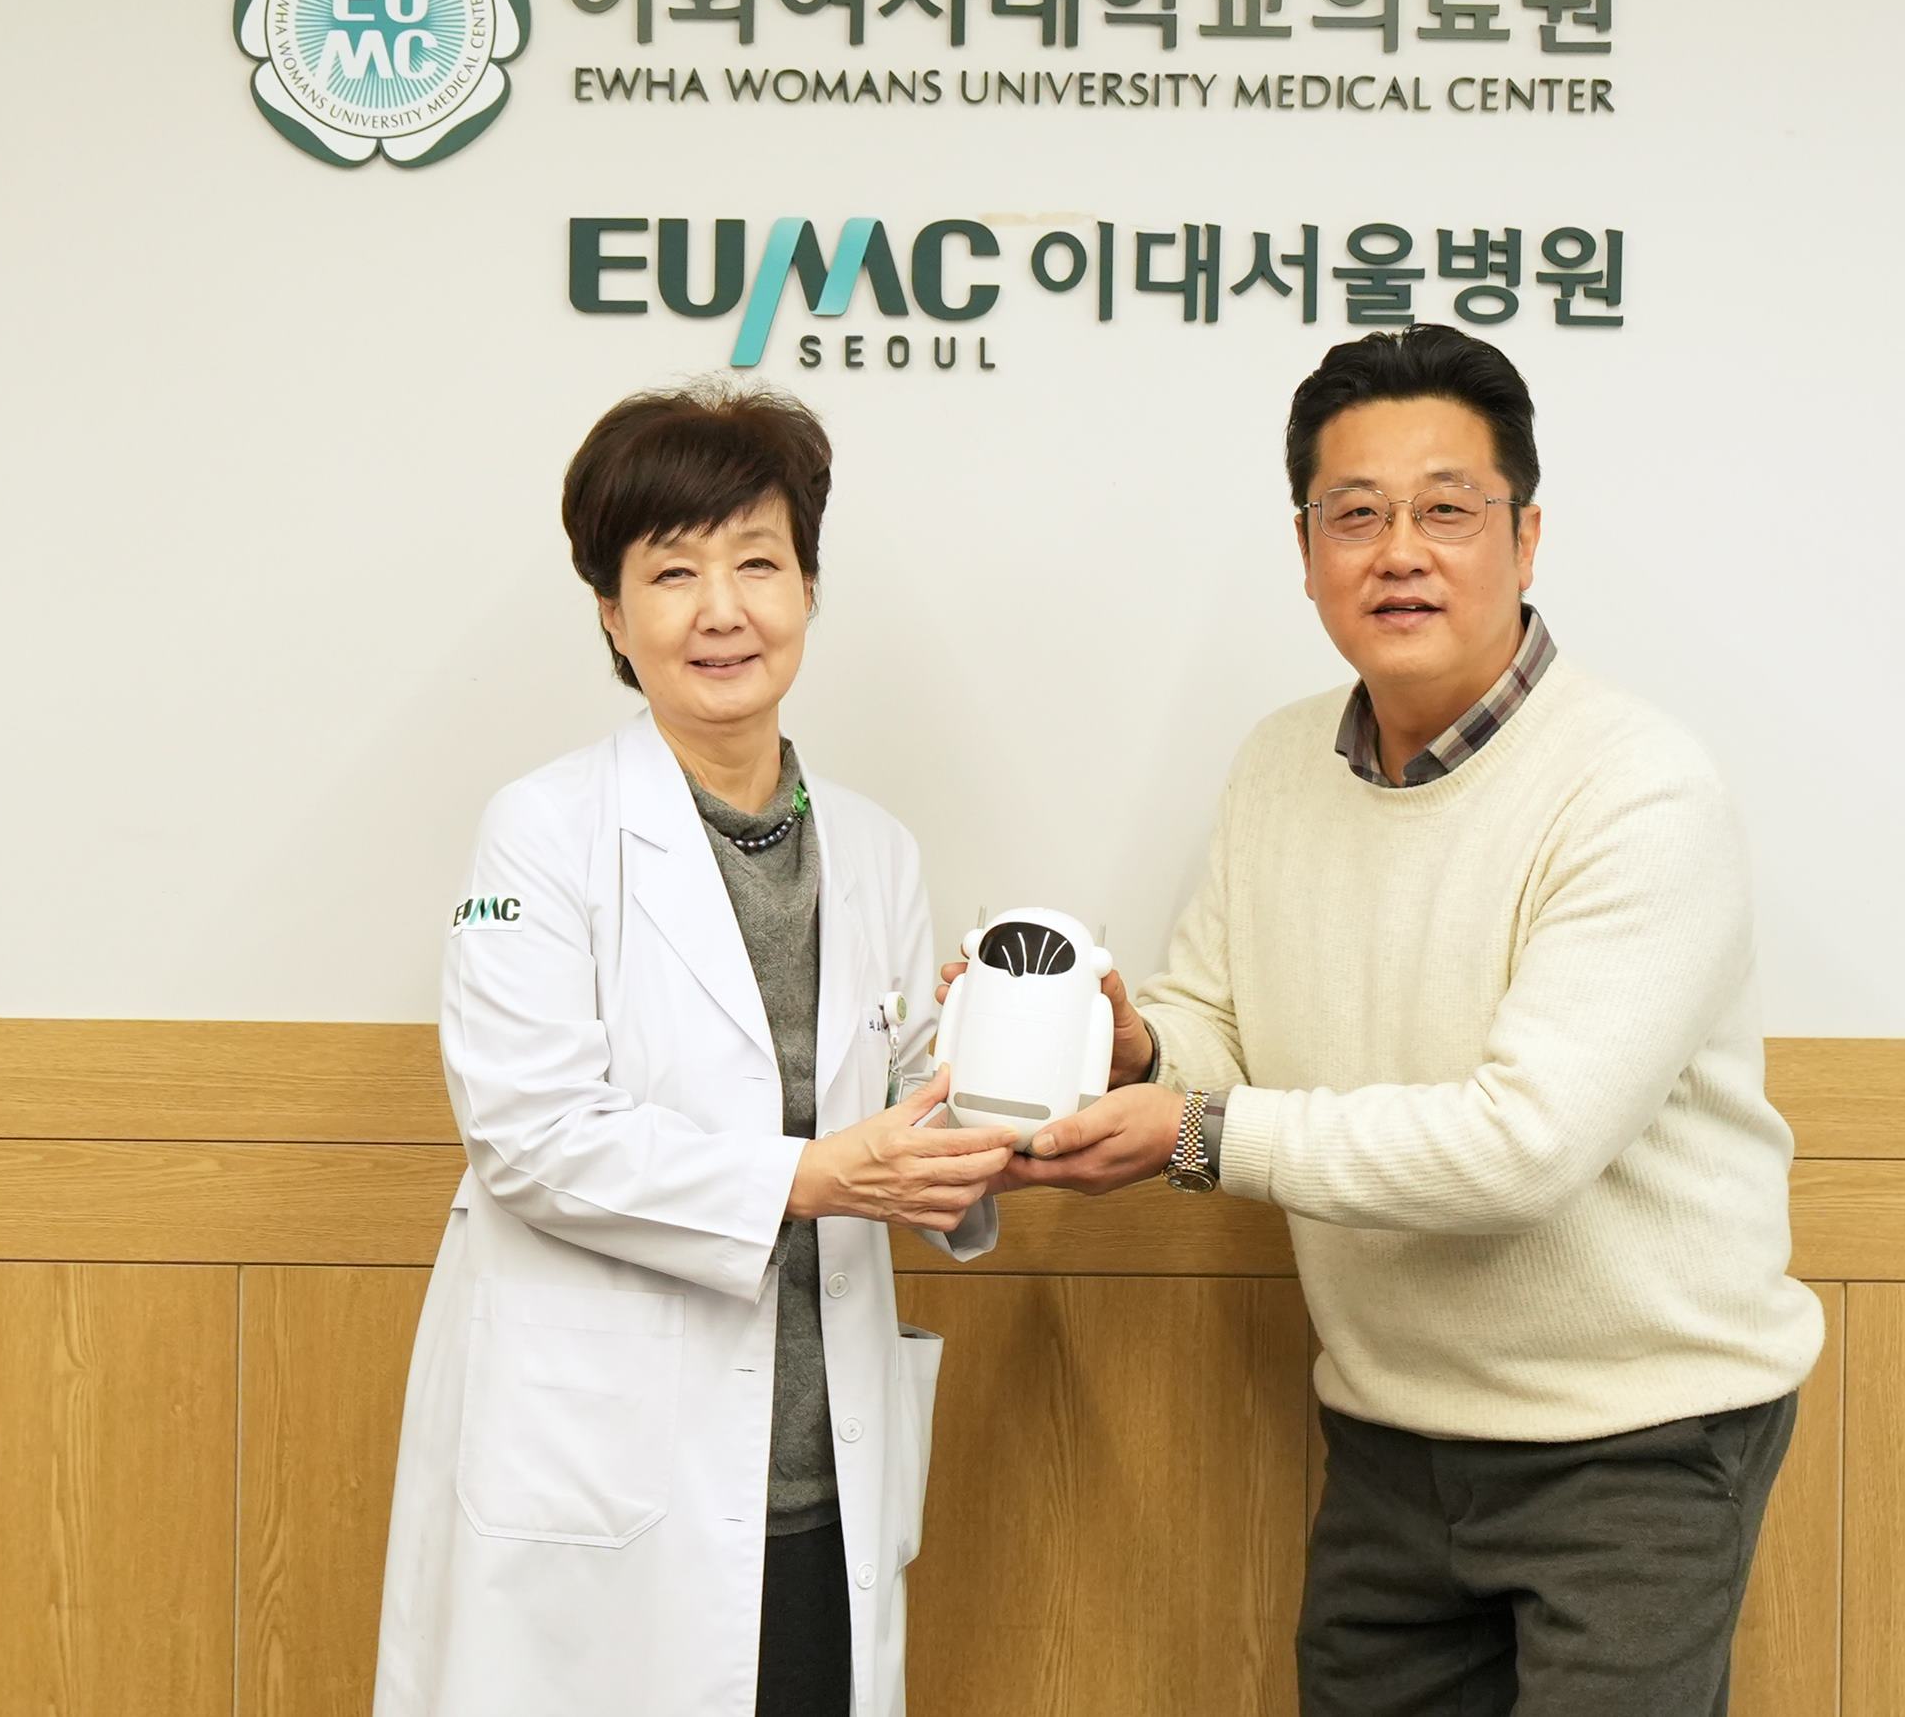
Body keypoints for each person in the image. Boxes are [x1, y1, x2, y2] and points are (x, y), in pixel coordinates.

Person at [1008, 325, 1826, 1717]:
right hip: (1389, 1431)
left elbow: (1525, 1147)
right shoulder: (1281, 763)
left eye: (1448, 511)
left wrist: (1194, 1131)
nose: (1400, 553)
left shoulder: (1639, 788)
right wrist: (1137, 1050)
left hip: (1634, 1437)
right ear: (1306, 548)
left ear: (1526, 537)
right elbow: (1219, 1031)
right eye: (1356, 515)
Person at [374, 383, 1017, 1717]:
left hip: (820, 1470)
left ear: (809, 588)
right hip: (606, 1466)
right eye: (673, 572)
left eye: (758, 564)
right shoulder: (542, 831)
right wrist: (810, 1179)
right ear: (614, 615)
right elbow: (529, 1135)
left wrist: (1015, 1081)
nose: (722, 610)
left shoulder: (877, 848)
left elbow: (907, 1113)